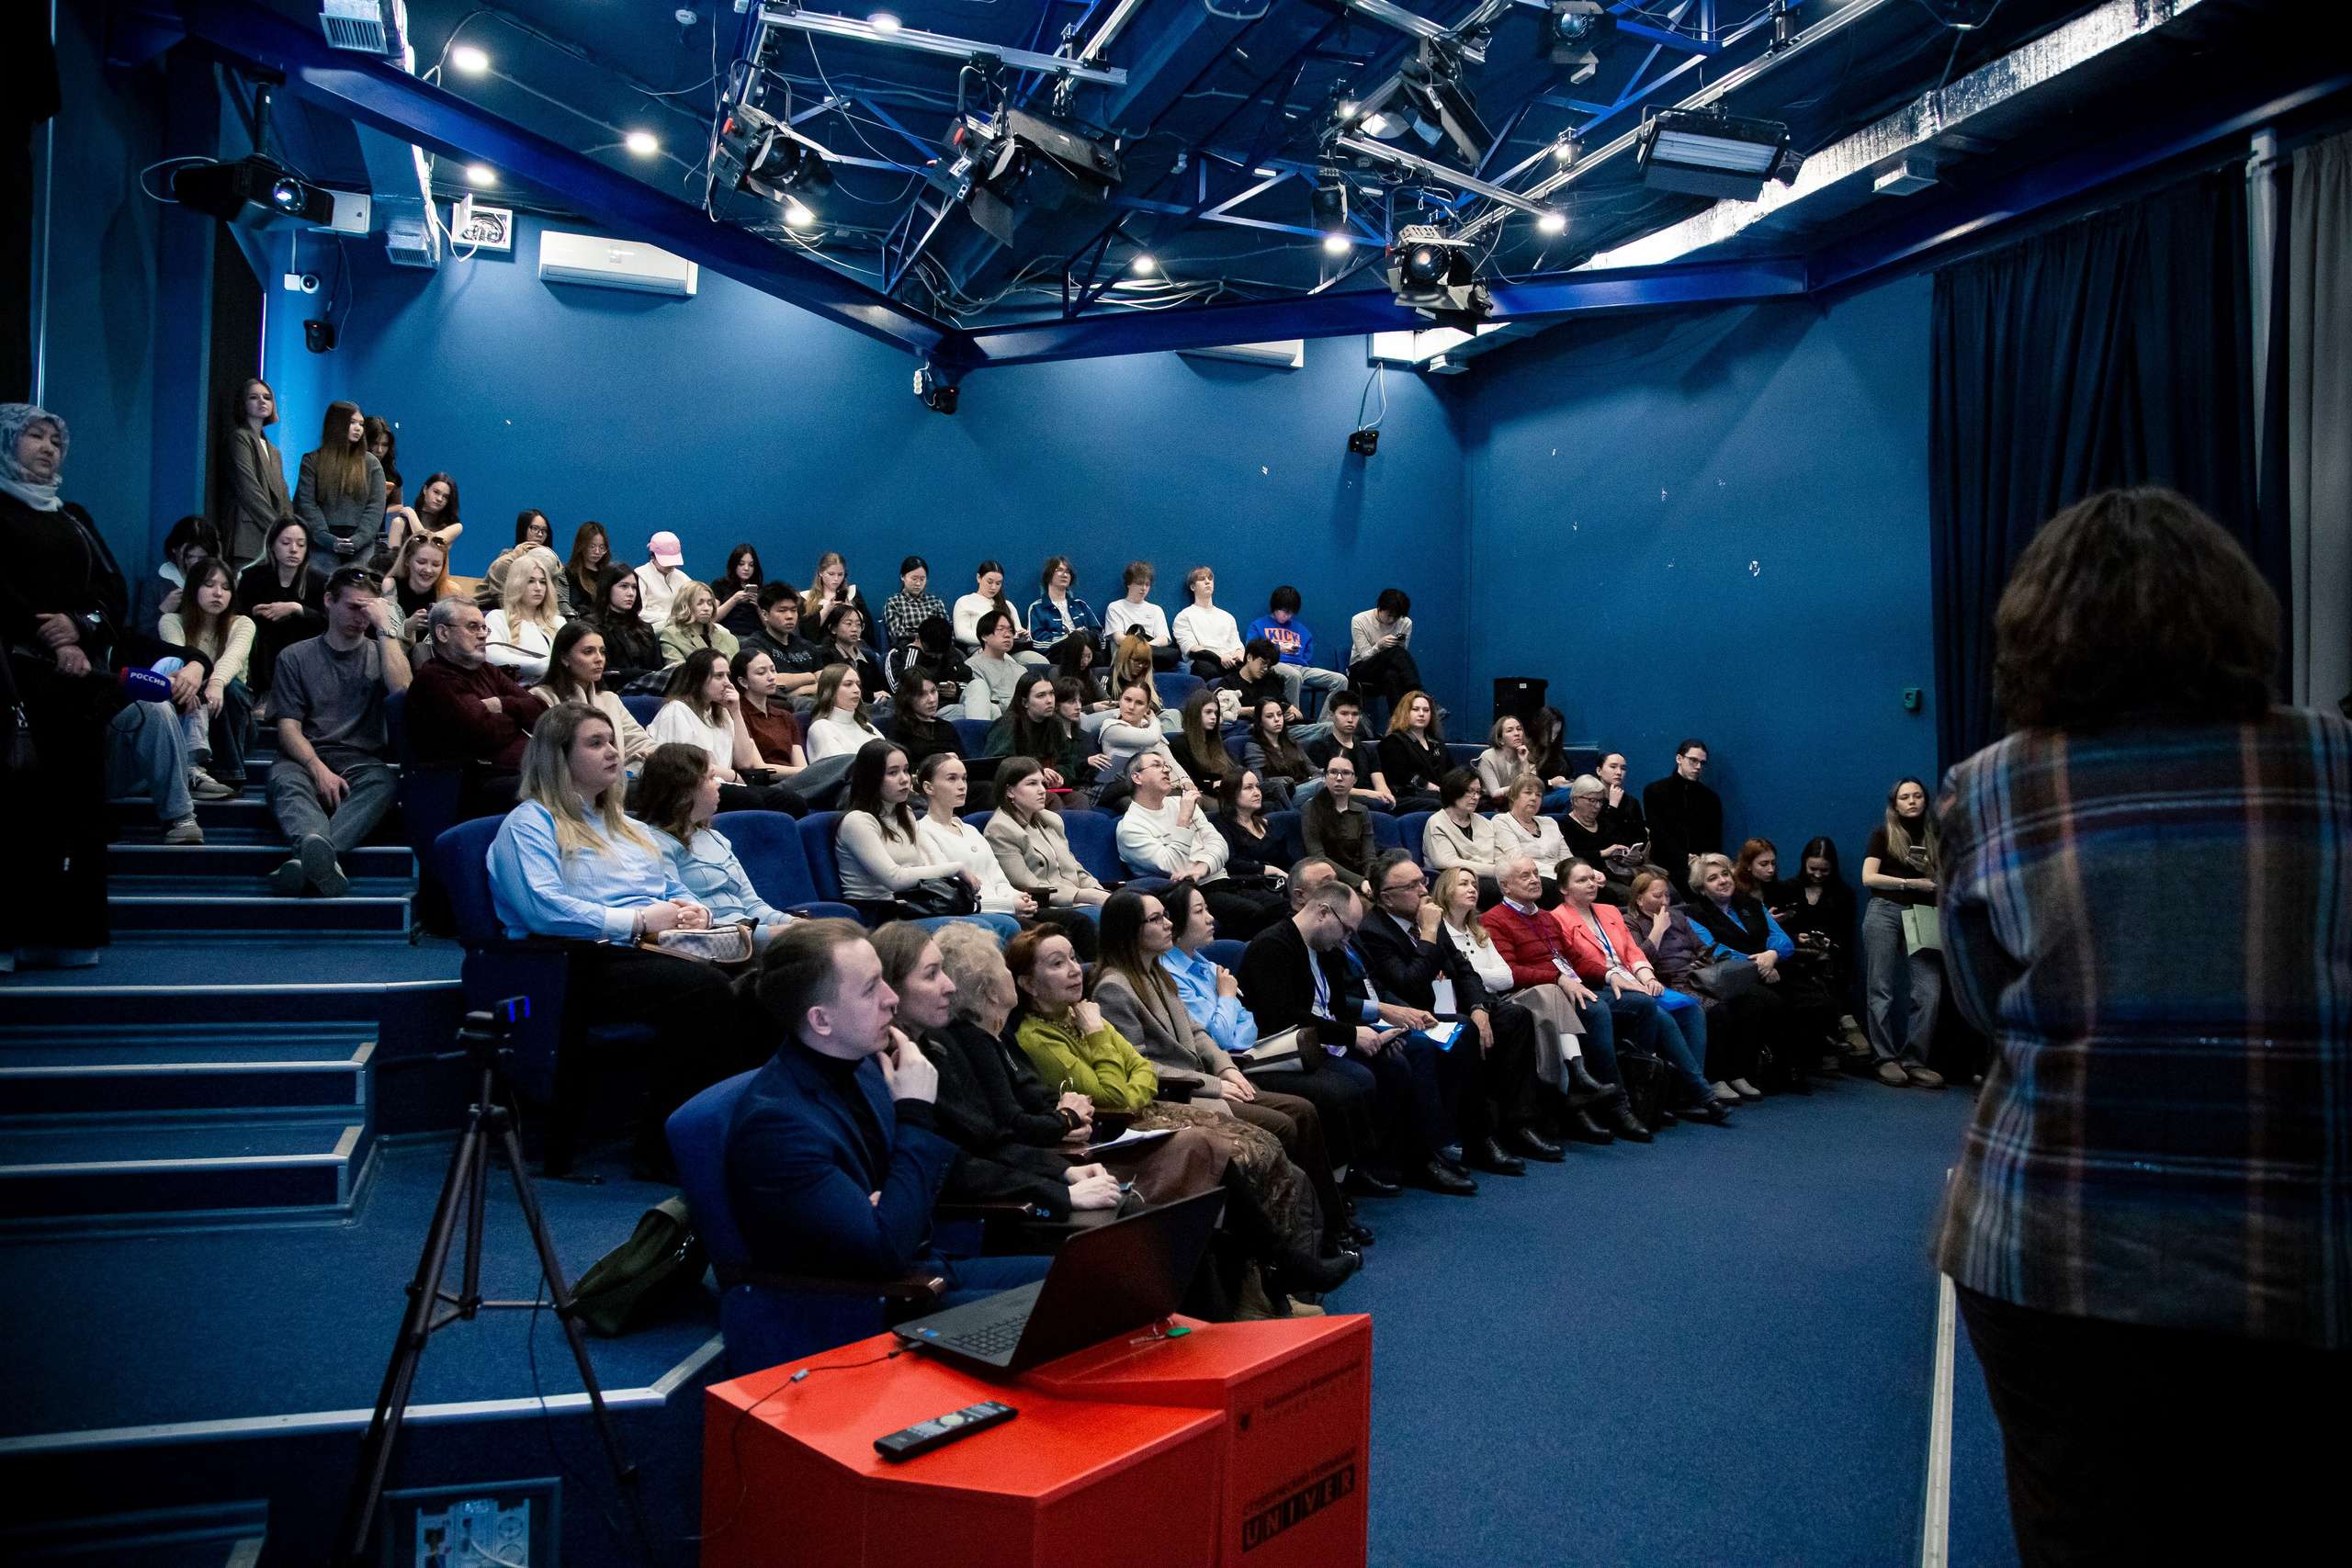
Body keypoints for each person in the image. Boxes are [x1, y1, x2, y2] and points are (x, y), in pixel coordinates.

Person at [1926, 489, 2352, 1565]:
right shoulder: (2334, 763)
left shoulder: (1987, 789)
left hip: (2047, 1254)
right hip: (2297, 1252)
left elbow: (1982, 1006)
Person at [723, 918, 1054, 1309]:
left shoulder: (864, 1068)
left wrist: (890, 1203)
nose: (891, 998)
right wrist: (914, 1114)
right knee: (1082, 1308)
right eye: (869, 989)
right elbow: (885, 1247)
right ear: (821, 1020)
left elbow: (903, 1208)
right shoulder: (776, 1127)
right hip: (869, 1309)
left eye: (884, 979)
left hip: (926, 1270)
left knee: (1091, 1276)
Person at [1, 403, 214, 964]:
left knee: (83, 801)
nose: (48, 447)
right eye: (34, 437)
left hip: (75, 687)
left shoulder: (74, 516)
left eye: (55, 440)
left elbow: (112, 595)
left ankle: (64, 938)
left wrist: (80, 627)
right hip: (15, 681)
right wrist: (53, 638)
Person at [491, 702, 741, 1179]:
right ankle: (666, 1151)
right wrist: (638, 920)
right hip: (574, 968)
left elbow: (673, 888)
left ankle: (735, 1132)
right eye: (595, 743)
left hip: (651, 952)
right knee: (704, 990)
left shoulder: (629, 826)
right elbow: (542, 909)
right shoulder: (530, 824)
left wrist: (698, 911)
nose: (612, 752)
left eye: (613, 741)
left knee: (766, 979)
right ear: (557, 757)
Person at [1091, 890, 1352, 1251]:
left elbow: (1197, 1033)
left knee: (1303, 1111)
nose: (1168, 924)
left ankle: (1326, 1226)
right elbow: (1140, 1066)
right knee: (1284, 1123)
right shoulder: (1114, 988)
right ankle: (1290, 1242)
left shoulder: (1154, 971)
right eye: (1156, 919)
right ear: (1128, 931)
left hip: (1203, 1080)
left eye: (1165, 915)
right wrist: (1212, 1083)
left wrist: (1226, 1068)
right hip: (1176, 1095)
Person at [874, 923, 1127, 1221]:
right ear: (890, 990)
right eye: (932, 974)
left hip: (1011, 1186)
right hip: (970, 1222)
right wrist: (1059, 1191)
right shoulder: (897, 1063)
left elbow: (993, 1141)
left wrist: (1064, 1172)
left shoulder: (939, 1045)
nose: (950, 986)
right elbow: (953, 1167)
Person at [1239, 878, 1474, 1197]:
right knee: (1358, 1079)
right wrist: (1353, 1036)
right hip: (1287, 1048)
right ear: (1323, 912)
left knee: (1398, 1063)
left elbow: (1336, 1009)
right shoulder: (1272, 946)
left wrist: (1377, 1036)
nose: (1348, 939)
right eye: (1346, 930)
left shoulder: (1327, 947)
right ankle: (1344, 1173)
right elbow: (1286, 1018)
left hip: (1324, 1038)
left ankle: (1378, 1160)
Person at [1356, 851, 1559, 1172]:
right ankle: (1476, 1138)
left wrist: (1480, 1008)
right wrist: (1429, 933)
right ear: (1387, 898)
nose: (1424, 890)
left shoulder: (1425, 918)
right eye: (1412, 886)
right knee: (1463, 1029)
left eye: (1423, 882)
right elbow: (1410, 985)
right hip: (1413, 1014)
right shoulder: (1374, 931)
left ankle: (1519, 1124)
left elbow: (1466, 972)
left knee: (1514, 1017)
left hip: (1452, 1008)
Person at [1431, 864, 1623, 1141]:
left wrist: (1610, 973)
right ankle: (1572, 1082)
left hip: (1501, 998)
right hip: (1475, 1003)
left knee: (1561, 1000)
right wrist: (1479, 975)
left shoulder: (1478, 929)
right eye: (1463, 884)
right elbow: (1480, 976)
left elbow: (1503, 975)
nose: (1473, 888)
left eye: (1474, 883)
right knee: (1552, 995)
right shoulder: (1445, 930)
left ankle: (1575, 1083)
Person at [266, 567, 412, 897]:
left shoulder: (382, 654)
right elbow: (288, 728)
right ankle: (319, 857)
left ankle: (308, 861)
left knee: (386, 784)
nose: (362, 617)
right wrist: (318, 769)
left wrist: (387, 629)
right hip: (303, 758)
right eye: (354, 607)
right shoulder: (295, 656)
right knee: (286, 783)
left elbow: (403, 689)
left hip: (362, 762)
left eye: (369, 608)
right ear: (329, 601)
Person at [1550, 859, 1725, 1123]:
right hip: (1603, 985)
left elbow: (1632, 952)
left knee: (1691, 1008)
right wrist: (1624, 980)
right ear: (1564, 888)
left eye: (1591, 878)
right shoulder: (1557, 919)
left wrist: (1648, 977)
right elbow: (1577, 965)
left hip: (1636, 980)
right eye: (1581, 880)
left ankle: (1683, 1096)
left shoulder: (1609, 911)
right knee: (1663, 1019)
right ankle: (1700, 1094)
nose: (1590, 884)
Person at [1683, 852, 1845, 1086]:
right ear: (1701, 887)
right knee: (1776, 1004)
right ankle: (1785, 1070)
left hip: (1774, 969)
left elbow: (1783, 940)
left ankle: (1806, 1056)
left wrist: (1772, 955)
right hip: (1734, 978)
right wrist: (1759, 965)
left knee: (1819, 1001)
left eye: (1725, 874)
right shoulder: (1695, 914)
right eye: (1713, 878)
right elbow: (1714, 951)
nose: (1723, 881)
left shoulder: (1751, 904)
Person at [913, 752, 1092, 953]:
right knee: (1054, 934)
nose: (962, 785)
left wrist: (1018, 897)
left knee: (1062, 931)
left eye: (964, 778)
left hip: (1003, 907)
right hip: (981, 910)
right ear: (929, 787)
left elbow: (998, 878)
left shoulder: (970, 830)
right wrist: (1009, 903)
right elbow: (952, 893)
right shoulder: (923, 832)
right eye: (952, 779)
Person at [834, 739, 1004, 931]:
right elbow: (894, 879)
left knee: (999, 924)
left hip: (913, 907)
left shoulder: (905, 814)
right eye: (893, 772)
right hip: (880, 917)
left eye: (906, 770)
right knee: (989, 927)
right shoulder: (857, 822)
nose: (904, 779)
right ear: (871, 777)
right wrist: (955, 868)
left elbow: (920, 866)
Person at [637, 741, 797, 943]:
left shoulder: (718, 839)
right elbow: (684, 918)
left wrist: (791, 923)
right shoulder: (655, 843)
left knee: (822, 934)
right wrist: (769, 934)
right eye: (711, 778)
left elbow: (753, 905)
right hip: (713, 940)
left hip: (748, 932)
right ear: (685, 791)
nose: (719, 783)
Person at [1627, 870, 1764, 1103]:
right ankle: (1714, 1077)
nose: (1665, 901)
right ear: (1640, 899)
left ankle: (1737, 1072)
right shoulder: (1630, 922)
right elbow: (1639, 960)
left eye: (1667, 896)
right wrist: (1658, 929)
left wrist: (1704, 959)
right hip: (1666, 982)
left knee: (1750, 1003)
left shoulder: (1679, 918)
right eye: (1657, 896)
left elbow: (1702, 948)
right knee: (1718, 1011)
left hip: (1696, 976)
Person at [1116, 751, 1285, 939]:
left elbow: (1220, 844)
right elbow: (1174, 866)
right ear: (1137, 777)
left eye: (1166, 765)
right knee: (1253, 913)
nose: (1166, 770)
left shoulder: (1181, 802)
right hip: (1188, 895)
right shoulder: (1130, 828)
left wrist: (1202, 867)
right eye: (1157, 765)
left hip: (1222, 880)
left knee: (1284, 908)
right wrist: (1183, 820)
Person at [1859, 779, 1948, 1088]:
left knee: (1929, 992)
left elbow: (1945, 883)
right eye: (1904, 797)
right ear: (1894, 803)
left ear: (1925, 800)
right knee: (1880, 988)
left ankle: (1914, 1060)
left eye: (1918, 796)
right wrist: (1910, 883)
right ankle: (1885, 1059)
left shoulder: (1936, 835)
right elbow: (1868, 878)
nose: (1912, 801)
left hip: (1924, 914)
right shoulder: (1883, 833)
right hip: (1885, 909)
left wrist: (1927, 872)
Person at [403, 598, 548, 786]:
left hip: (518, 772)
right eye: (473, 627)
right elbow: (486, 733)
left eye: (483, 627)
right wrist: (518, 720)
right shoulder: (435, 680)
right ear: (443, 633)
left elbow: (542, 713)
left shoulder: (487, 670)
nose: (482, 635)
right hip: (473, 785)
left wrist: (501, 705)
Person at [646, 648, 805, 815]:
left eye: (727, 676)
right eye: (718, 676)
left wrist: (736, 711)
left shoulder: (721, 712)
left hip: (722, 783)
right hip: (692, 787)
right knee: (750, 800)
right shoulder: (676, 710)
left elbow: (744, 762)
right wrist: (733, 775)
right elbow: (685, 766)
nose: (727, 683)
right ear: (698, 679)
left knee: (792, 802)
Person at [159, 555, 255, 793]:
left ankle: (229, 776)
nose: (218, 593)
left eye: (225, 587)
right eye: (209, 585)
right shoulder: (171, 621)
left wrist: (216, 683)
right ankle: (193, 771)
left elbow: (233, 657)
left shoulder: (242, 623)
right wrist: (205, 686)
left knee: (232, 688)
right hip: (190, 712)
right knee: (182, 685)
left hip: (232, 720)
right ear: (193, 589)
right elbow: (181, 662)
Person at [1771, 837, 1870, 1056]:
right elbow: (1774, 929)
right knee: (1817, 973)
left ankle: (1834, 1028)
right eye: (1812, 869)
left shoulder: (1843, 894)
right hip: (1792, 955)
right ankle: (1843, 1021)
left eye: (1824, 870)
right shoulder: (1787, 889)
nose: (1817, 875)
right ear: (1804, 863)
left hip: (1827, 958)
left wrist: (1831, 944)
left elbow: (1845, 935)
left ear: (1833, 868)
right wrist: (1797, 937)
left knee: (1825, 967)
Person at [532, 621, 653, 777]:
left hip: (616, 783)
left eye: (602, 652)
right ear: (564, 658)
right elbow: (556, 759)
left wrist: (660, 757)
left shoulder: (610, 699)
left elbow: (638, 740)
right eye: (588, 652)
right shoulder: (541, 697)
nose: (599, 659)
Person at [235, 515, 327, 698]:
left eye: (301, 545)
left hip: (305, 649)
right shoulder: (252, 576)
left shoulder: (319, 581)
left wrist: (296, 608)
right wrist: (256, 612)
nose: (294, 550)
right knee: (262, 627)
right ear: (272, 544)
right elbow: (237, 616)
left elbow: (328, 621)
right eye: (286, 543)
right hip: (263, 645)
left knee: (297, 624)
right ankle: (265, 693)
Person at [292, 400, 385, 567]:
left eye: (361, 424)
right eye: (352, 422)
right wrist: (327, 539)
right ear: (336, 424)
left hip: (361, 546)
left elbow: (376, 506)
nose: (358, 428)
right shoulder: (312, 461)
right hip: (321, 545)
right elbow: (306, 504)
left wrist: (358, 540)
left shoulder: (371, 463)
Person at [220, 377, 293, 569]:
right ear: (243, 404)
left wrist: (289, 528)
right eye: (254, 397)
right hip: (246, 537)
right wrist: (279, 529)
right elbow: (248, 489)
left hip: (272, 540)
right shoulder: (239, 438)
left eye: (267, 397)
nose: (262, 401)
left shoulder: (274, 450)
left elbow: (283, 493)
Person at [1246, 586, 1347, 717]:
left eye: (1291, 612)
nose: (1287, 616)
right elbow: (1252, 649)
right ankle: (1293, 724)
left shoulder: (1301, 630)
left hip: (1301, 667)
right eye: (1284, 611)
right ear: (1275, 606)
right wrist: (1278, 648)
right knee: (1294, 675)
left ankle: (1326, 725)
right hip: (1273, 665)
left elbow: (1307, 655)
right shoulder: (1258, 625)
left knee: (1340, 680)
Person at [1423, 766, 1514, 907]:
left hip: (1489, 878)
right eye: (1469, 791)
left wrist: (1504, 871)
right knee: (1504, 889)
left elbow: (1500, 855)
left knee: (1528, 886)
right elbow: (1446, 862)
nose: (1476, 797)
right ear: (1453, 791)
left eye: (1478, 792)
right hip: (1455, 881)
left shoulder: (1484, 822)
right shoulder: (1437, 822)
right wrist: (1497, 871)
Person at [1559, 775, 1654, 902]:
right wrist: (1604, 853)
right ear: (1576, 800)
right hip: (1594, 876)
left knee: (1659, 888)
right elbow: (1571, 857)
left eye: (1600, 801)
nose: (1597, 806)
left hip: (1620, 871)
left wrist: (1631, 857)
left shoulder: (1603, 821)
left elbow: (1620, 843)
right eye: (1592, 800)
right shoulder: (1565, 824)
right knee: (1631, 896)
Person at [1644, 739, 1723, 889]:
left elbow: (1714, 840)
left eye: (1702, 763)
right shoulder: (1655, 791)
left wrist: (1702, 862)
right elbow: (1659, 834)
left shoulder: (1710, 799)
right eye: (1693, 760)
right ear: (1679, 759)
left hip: (1701, 865)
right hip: (1664, 865)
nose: (1698, 767)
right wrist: (1684, 858)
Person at [985, 671, 1082, 790]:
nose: (1050, 700)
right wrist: (1037, 773)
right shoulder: (1008, 725)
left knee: (1078, 798)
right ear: (1025, 702)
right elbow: (999, 765)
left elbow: (1068, 762)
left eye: (1051, 693)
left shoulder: (1055, 723)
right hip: (1018, 791)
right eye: (1041, 695)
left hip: (1049, 787)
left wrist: (1059, 777)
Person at [1303, 691, 1399, 811]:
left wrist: (1386, 796)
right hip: (1342, 797)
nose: (1350, 719)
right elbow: (1329, 786)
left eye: (1355, 714)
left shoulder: (1368, 749)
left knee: (1400, 803)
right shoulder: (1320, 747)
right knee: (1374, 804)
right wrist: (1371, 794)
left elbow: (1380, 784)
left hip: (1371, 798)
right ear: (1331, 716)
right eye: (1344, 713)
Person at [130, 514, 219, 638]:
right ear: (174, 549)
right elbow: (143, 633)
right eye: (189, 556)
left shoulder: (219, 582)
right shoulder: (155, 582)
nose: (195, 563)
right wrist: (164, 610)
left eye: (202, 558)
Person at [484, 549, 561, 686]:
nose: (538, 588)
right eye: (530, 581)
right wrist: (543, 665)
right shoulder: (498, 618)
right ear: (517, 583)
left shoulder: (558, 622)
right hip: (519, 693)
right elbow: (491, 655)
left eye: (543, 582)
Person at [1299, 751, 1374, 889]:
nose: (1339, 778)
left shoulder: (1361, 811)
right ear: (1326, 777)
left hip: (1360, 879)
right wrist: (1360, 882)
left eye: (1346, 773)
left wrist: (1372, 881)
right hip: (1327, 882)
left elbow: (1368, 856)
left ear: (1355, 779)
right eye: (1333, 772)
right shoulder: (1311, 809)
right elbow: (1318, 857)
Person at [737, 581, 821, 703]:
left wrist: (797, 692)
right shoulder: (755, 644)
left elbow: (825, 684)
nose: (790, 616)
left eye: (793, 610)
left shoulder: (807, 646)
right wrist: (810, 676)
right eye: (782, 611)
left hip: (809, 699)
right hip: (779, 706)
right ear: (765, 615)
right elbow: (771, 680)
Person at [731, 648, 807, 777]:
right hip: (766, 784)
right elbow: (759, 768)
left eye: (773, 670)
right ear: (743, 681)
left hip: (794, 781)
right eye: (761, 673)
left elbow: (801, 764)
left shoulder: (786, 716)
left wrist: (808, 773)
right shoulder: (738, 714)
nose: (771, 677)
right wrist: (808, 773)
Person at [1347, 589, 1422, 716]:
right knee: (1396, 652)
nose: (1392, 620)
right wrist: (1380, 645)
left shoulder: (1406, 622)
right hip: (1362, 668)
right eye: (1389, 615)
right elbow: (1364, 655)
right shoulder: (1359, 620)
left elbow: (1403, 657)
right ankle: (1419, 694)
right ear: (1380, 607)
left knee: (1391, 675)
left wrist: (1399, 645)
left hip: (1387, 668)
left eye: (1397, 616)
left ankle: (1399, 726)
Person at [1094, 679, 1182, 789]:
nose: (1131, 707)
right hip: (1122, 789)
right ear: (1120, 700)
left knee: (1194, 799)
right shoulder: (1111, 726)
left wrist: (1185, 780)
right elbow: (1152, 738)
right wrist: (1153, 719)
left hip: (1154, 787)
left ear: (1147, 707)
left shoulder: (1149, 728)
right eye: (1127, 700)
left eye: (1139, 703)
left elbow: (1169, 759)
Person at [585, 567, 662, 692]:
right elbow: (607, 672)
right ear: (607, 588)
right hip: (613, 691)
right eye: (624, 586)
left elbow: (658, 667)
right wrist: (648, 674)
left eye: (634, 587)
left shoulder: (645, 627)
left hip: (650, 689)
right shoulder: (592, 625)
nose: (631, 593)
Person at [885, 616, 974, 718]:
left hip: (955, 705)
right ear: (918, 638)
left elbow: (969, 681)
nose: (935, 656)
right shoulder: (896, 655)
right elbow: (901, 690)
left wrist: (956, 688)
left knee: (980, 687)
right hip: (925, 713)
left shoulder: (949, 652)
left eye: (939, 653)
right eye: (929, 652)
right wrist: (914, 651)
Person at [1490, 775, 1573, 886]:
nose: (1534, 798)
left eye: (1538, 795)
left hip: (1562, 877)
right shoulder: (1502, 821)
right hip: (1532, 878)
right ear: (1514, 796)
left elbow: (1567, 858)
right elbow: (1518, 861)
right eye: (1528, 793)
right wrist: (1563, 876)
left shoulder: (1550, 822)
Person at [1213, 769, 1289, 885]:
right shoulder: (1222, 825)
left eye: (1257, 786)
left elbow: (1285, 859)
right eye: (1249, 788)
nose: (1257, 792)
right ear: (1231, 793)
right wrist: (1271, 870)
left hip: (1280, 882)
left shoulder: (1264, 824)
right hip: (1249, 886)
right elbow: (1231, 863)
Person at [1173, 565, 1246, 682]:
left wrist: (1242, 660)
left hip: (1230, 662)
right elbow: (1190, 648)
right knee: (1208, 670)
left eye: (1210, 579)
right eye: (1202, 579)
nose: (1207, 582)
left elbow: (1236, 645)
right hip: (1204, 663)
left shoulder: (1227, 617)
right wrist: (1218, 657)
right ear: (1193, 587)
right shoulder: (1184, 616)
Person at [470, 508, 551, 611]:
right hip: (491, 612)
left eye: (544, 531)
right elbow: (505, 602)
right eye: (535, 528)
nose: (540, 534)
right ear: (523, 529)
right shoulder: (505, 563)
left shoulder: (547, 563)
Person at [1378, 690, 1450, 806]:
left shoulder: (1438, 744)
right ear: (1404, 713)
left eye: (1426, 710)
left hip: (1437, 794)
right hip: (1407, 795)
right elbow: (1403, 776)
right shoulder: (1393, 742)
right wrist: (1438, 789)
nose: (1422, 714)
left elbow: (1451, 773)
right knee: (1438, 801)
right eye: (1415, 709)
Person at [388, 534, 453, 659]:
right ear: (407, 560)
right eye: (421, 562)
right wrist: (409, 625)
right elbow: (387, 633)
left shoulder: (450, 591)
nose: (428, 570)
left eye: (435, 565)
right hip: (396, 655)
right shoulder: (391, 585)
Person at [1243, 696, 1316, 809]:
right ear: (1260, 722)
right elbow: (1258, 784)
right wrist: (1289, 782)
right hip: (1284, 796)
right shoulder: (1254, 747)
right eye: (1269, 716)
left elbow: (1312, 769)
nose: (1277, 719)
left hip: (1306, 789)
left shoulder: (1291, 742)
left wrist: (1315, 777)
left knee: (1319, 795)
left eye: (1279, 714)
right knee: (1326, 784)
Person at [804, 662, 886, 761]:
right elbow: (839, 769)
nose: (857, 690)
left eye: (858, 685)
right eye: (848, 684)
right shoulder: (821, 727)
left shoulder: (867, 726)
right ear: (830, 690)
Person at [1102, 561, 1177, 670]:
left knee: (1182, 668)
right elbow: (1118, 638)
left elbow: (1163, 639)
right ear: (1129, 584)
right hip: (1127, 659)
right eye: (1139, 583)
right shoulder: (1115, 607)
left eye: (1147, 584)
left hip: (1153, 657)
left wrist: (1146, 648)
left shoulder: (1156, 610)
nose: (1144, 588)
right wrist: (1140, 648)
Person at [1025, 556, 1100, 661]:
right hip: (1058, 654)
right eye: (1059, 570)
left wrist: (1085, 636)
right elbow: (1038, 642)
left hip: (1085, 651)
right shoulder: (1037, 608)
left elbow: (1098, 633)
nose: (1065, 574)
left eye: (1068, 572)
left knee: (1098, 657)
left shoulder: (1081, 605)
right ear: (1049, 575)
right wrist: (1070, 638)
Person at [818, 604, 889, 710]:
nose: (855, 629)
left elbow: (879, 688)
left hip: (872, 706)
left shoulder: (868, 657)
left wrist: (881, 696)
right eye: (848, 624)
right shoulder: (825, 655)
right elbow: (834, 690)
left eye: (859, 625)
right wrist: (872, 695)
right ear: (833, 629)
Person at [800, 552, 876, 652]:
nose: (836, 579)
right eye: (831, 574)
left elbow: (869, 628)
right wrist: (827, 609)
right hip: (822, 648)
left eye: (840, 574)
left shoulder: (853, 594)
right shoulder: (806, 598)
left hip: (854, 645)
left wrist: (853, 611)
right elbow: (805, 632)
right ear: (821, 573)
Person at [887, 673, 964, 771]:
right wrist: (938, 763)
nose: (931, 700)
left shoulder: (947, 726)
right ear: (908, 698)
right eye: (921, 694)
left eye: (933, 691)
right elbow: (897, 768)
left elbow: (965, 761)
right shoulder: (899, 726)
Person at [1172, 688, 1238, 798]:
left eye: (1216, 713)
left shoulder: (1218, 742)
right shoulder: (1180, 744)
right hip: (1203, 795)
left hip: (1226, 792)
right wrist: (1214, 785)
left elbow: (1233, 770)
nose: (1214, 717)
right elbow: (1189, 781)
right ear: (1195, 713)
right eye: (1208, 712)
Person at [963, 609, 1027, 719]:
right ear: (984, 636)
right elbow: (980, 703)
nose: (1008, 635)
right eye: (1000, 629)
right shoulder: (971, 666)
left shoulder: (1021, 670)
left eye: (1011, 630)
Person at [660, 581, 739, 668]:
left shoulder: (729, 638)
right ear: (685, 605)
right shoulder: (671, 635)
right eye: (699, 603)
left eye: (709, 603)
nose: (706, 608)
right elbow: (680, 674)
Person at [1478, 714, 1549, 808]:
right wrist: (1520, 790)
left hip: (1519, 806)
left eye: (1519, 729)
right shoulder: (1488, 757)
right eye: (1510, 730)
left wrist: (1524, 763)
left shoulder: (1528, 757)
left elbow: (1531, 790)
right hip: (1492, 806)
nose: (1517, 733)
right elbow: (1495, 794)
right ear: (1500, 740)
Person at [880, 555, 948, 649]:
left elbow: (947, 631)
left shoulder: (935, 602)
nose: (918, 583)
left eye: (922, 579)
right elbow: (898, 636)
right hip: (907, 649)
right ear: (903, 577)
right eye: (914, 579)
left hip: (936, 648)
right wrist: (921, 645)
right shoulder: (894, 603)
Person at [633, 531, 692, 628]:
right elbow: (639, 612)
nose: (670, 565)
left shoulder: (682, 578)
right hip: (654, 626)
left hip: (681, 623)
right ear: (653, 555)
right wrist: (670, 617)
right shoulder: (640, 575)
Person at [557, 522, 610, 620]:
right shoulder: (569, 573)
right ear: (581, 546)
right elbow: (573, 605)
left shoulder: (609, 573)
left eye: (602, 547)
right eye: (592, 546)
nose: (597, 552)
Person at [709, 544, 763, 639]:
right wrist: (734, 599)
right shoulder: (720, 584)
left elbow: (770, 624)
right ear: (734, 564)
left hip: (756, 636)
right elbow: (712, 618)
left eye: (751, 565)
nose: (746, 568)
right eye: (741, 564)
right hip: (729, 635)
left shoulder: (761, 589)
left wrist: (758, 605)